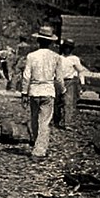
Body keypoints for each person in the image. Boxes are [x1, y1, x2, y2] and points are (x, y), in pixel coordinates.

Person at [21, 25, 64, 159]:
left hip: (34, 91)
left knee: (34, 119)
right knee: (44, 121)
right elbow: (59, 79)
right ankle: (39, 151)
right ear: (51, 42)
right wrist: (62, 91)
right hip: (48, 91)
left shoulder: (31, 56)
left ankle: (36, 142)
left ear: (38, 40)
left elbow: (26, 75)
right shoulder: (56, 57)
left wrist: (24, 92)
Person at [55, 39, 88, 130]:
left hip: (69, 81)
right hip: (58, 81)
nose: (67, 49)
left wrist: (82, 82)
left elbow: (80, 71)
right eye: (65, 47)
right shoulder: (58, 58)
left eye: (69, 48)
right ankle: (56, 121)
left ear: (71, 49)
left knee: (68, 102)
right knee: (56, 102)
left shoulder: (74, 59)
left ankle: (67, 123)